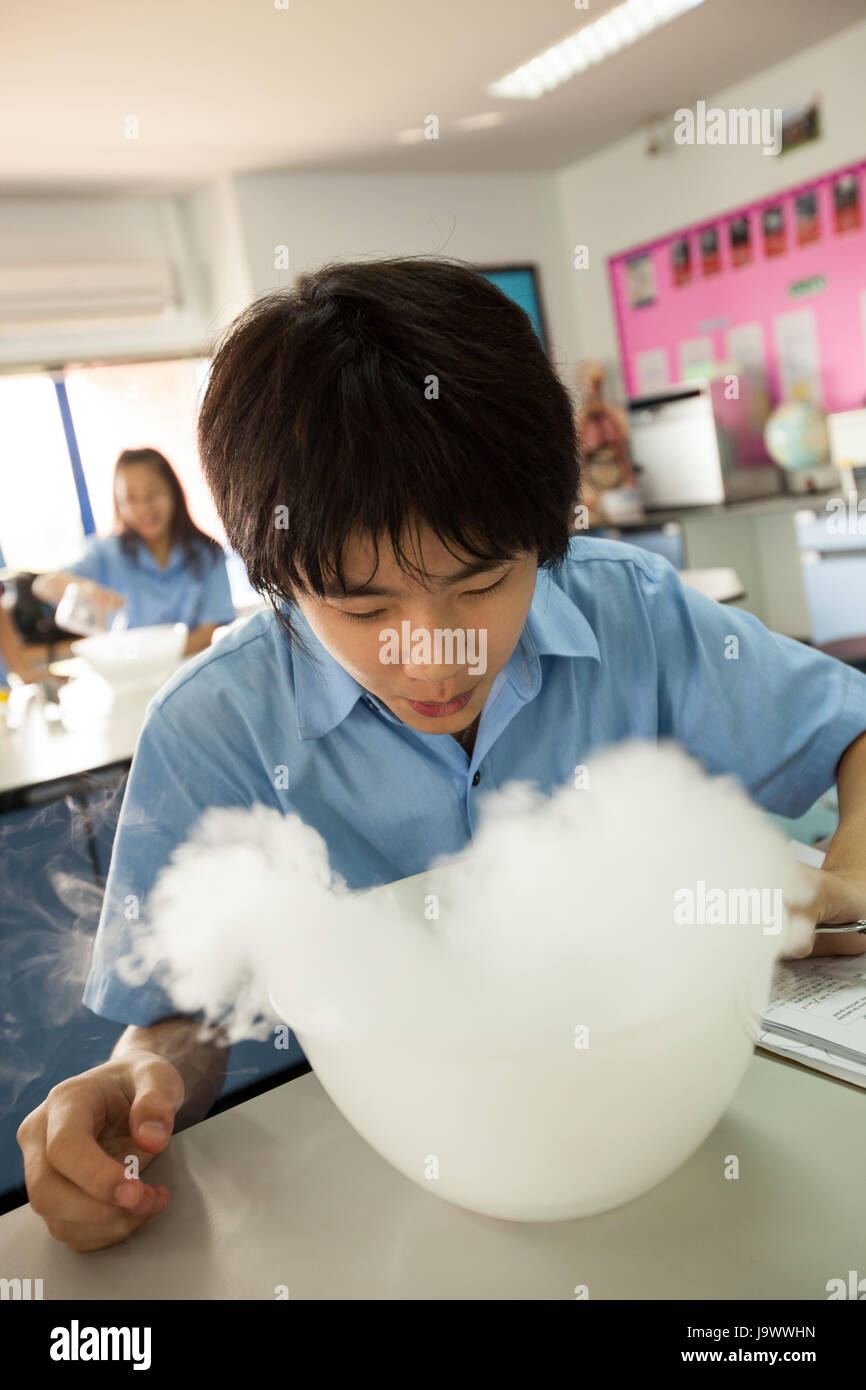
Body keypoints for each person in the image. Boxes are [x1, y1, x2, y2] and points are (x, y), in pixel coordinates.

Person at [17, 256, 866, 1252]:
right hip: (416, 1184)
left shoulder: (626, 610)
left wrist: (846, 874)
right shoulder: (215, 726)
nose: (435, 650)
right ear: (278, 578)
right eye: (363, 605)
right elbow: (181, 1018)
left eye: (482, 581)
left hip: (662, 1121)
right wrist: (137, 1077)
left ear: (543, 536)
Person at [32, 448, 235, 656]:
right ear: (118, 503)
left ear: (173, 491)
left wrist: (154, 660)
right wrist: (84, 587)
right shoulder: (106, 553)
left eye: (152, 494)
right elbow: (43, 585)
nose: (144, 508)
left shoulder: (208, 554)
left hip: (191, 669)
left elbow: (208, 631)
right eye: (130, 498)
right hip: (127, 675)